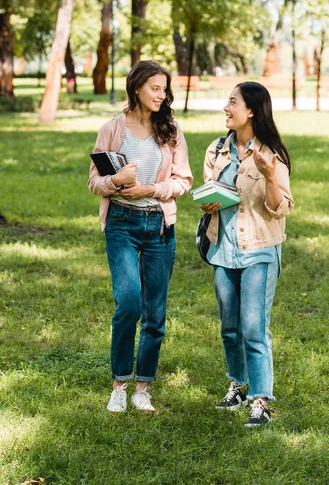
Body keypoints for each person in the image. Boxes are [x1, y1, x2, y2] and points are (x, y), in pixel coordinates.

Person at [88, 60, 193, 414]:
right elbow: (94, 182)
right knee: (129, 303)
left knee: (155, 313)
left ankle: (143, 387)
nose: (162, 96)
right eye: (155, 89)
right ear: (137, 88)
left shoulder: (171, 131)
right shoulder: (113, 130)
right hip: (121, 223)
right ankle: (119, 383)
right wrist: (116, 183)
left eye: (165, 90)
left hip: (159, 225)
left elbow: (183, 181)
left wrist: (150, 188)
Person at [200, 81, 293, 427]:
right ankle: (237, 385)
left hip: (259, 250)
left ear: (251, 110)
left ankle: (261, 400)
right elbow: (212, 195)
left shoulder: (272, 154)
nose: (226, 108)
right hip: (223, 249)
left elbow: (279, 207)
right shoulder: (216, 150)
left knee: (254, 327)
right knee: (230, 327)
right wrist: (208, 203)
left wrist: (269, 177)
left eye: (232, 102)